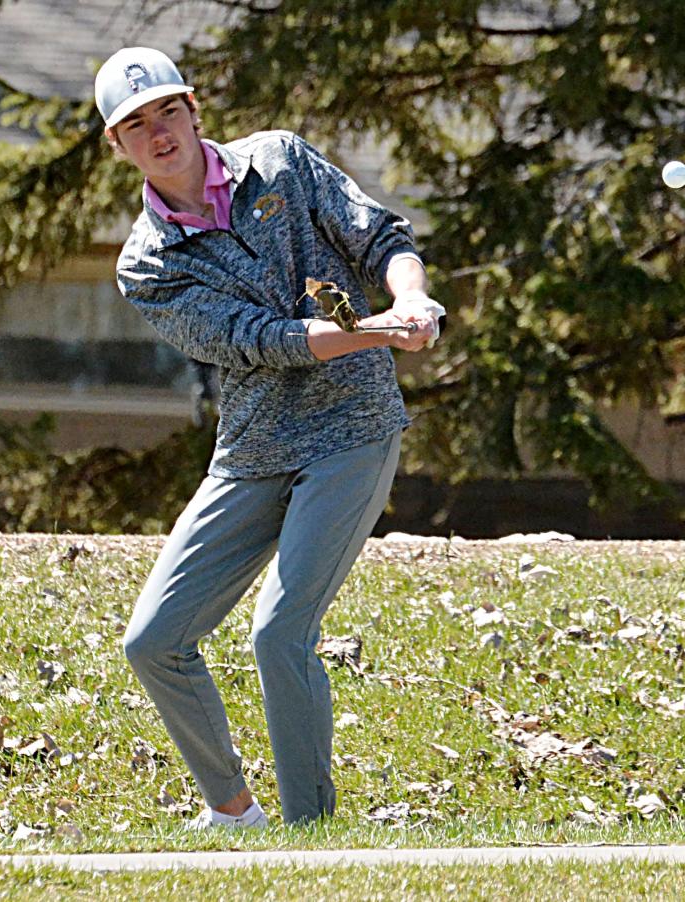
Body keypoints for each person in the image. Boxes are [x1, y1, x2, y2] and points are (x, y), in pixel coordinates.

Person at [95, 46, 444, 828]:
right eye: (136, 125)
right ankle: (233, 812)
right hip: (252, 450)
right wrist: (382, 332)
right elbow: (258, 338)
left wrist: (412, 298)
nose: (159, 133)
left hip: (351, 431)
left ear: (194, 110)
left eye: (169, 112)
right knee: (153, 640)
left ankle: (307, 837)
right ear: (116, 147)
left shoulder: (280, 162)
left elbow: (378, 235)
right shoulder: (145, 265)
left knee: (280, 632)